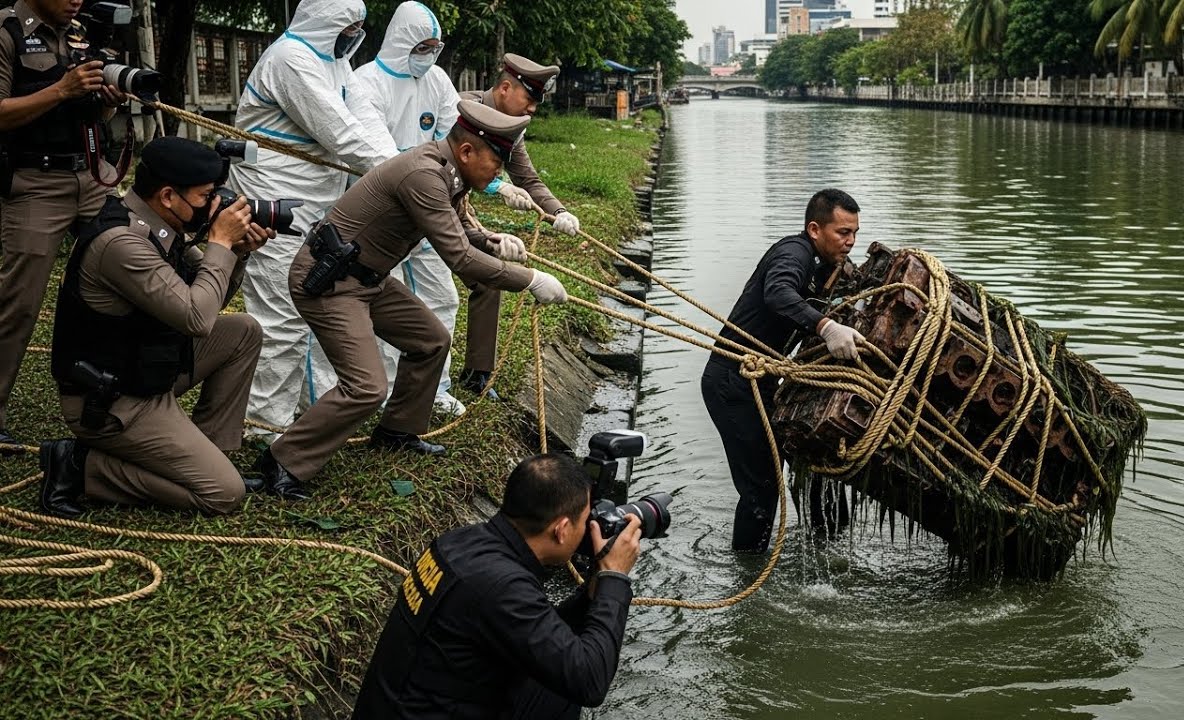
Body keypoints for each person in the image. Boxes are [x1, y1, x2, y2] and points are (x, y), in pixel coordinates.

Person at [252, 100, 569, 500]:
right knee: (366, 386)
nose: (499, 175)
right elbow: (460, 258)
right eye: (496, 163)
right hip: (331, 281)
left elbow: (459, 232)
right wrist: (530, 279)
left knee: (431, 340)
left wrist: (490, 240)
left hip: (368, 279)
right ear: (467, 151)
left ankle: (397, 430)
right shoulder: (424, 175)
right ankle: (280, 462)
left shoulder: (448, 173)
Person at [38, 137, 273, 517]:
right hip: (112, 401)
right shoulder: (123, 243)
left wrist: (237, 252)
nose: (214, 205)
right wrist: (219, 243)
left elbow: (206, 302)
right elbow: (196, 318)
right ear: (167, 196)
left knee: (243, 331)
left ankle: (209, 453)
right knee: (223, 495)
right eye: (205, 196)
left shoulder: (160, 226)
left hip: (146, 370)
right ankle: (80, 467)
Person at [340, 1, 529, 418]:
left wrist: (496, 184)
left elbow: (459, 142)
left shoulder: (437, 79)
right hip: (385, 216)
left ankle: (434, 389)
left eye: (435, 48)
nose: (429, 55)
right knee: (381, 304)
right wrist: (530, 280)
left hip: (432, 207)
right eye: (422, 47)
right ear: (401, 41)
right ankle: (386, 390)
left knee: (441, 297)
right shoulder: (365, 83)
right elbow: (377, 154)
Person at [352, 452, 641, 719]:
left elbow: (542, 634)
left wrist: (593, 592)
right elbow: (590, 681)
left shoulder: (459, 543)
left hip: (394, 704)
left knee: (555, 682)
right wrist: (614, 576)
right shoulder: (502, 587)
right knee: (565, 691)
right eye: (586, 519)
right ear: (562, 529)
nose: (589, 527)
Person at [227, 0, 386, 438]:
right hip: (274, 203)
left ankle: (313, 405)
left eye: (358, 28)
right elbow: (342, 133)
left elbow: (365, 120)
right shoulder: (290, 59)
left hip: (319, 204)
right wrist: (404, 178)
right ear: (326, 20)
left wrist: (402, 164)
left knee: (320, 299)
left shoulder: (335, 63)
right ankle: (265, 422)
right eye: (347, 27)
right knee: (281, 312)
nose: (353, 36)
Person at [701, 189, 864, 552]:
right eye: (843, 232)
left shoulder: (829, 266)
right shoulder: (794, 253)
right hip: (732, 382)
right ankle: (749, 570)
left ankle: (828, 549)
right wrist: (826, 327)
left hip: (765, 382)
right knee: (761, 487)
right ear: (814, 229)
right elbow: (777, 293)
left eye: (855, 233)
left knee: (813, 464)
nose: (851, 241)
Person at [0, 0, 127, 449]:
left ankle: (130, 397)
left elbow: (89, 113)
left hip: (91, 175)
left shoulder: (81, 33)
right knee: (18, 303)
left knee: (132, 266)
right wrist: (62, 89)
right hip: (35, 182)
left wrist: (106, 102)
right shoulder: (7, 32)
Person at [455, 53, 581, 400]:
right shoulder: (462, 108)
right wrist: (498, 187)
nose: (533, 109)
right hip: (431, 204)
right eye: (529, 99)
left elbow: (528, 178)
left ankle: (478, 373)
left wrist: (559, 212)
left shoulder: (512, 126)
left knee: (487, 273)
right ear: (506, 88)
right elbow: (441, 158)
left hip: (457, 207)